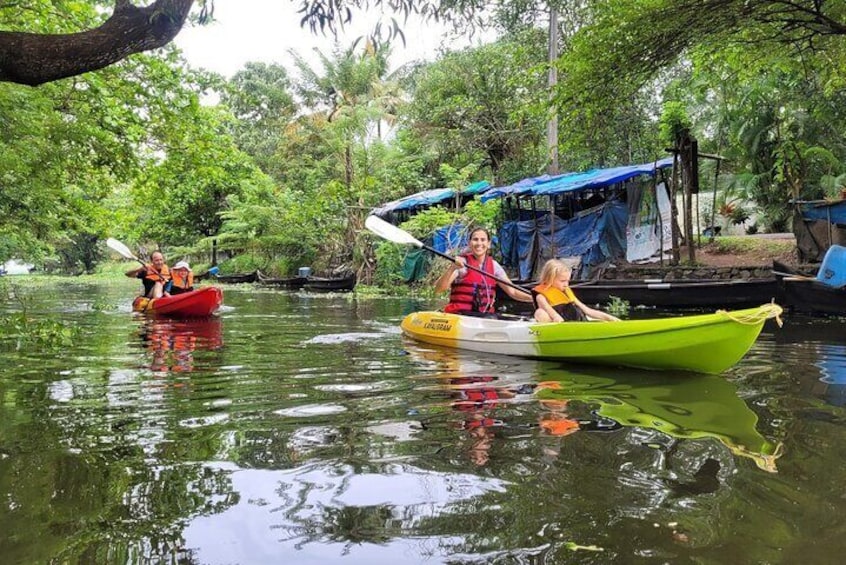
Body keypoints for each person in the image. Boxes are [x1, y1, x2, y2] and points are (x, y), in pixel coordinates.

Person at [435, 227, 533, 315]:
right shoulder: (461, 264)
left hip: (484, 317)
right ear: (469, 243)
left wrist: (534, 298)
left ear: (488, 244)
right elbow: (439, 290)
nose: (479, 243)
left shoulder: (495, 266)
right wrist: (451, 268)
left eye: (483, 240)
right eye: (475, 239)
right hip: (460, 315)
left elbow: (513, 292)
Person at [533, 259, 620, 322]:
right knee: (540, 313)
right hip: (559, 324)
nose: (566, 284)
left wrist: (609, 318)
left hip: (576, 322)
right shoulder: (541, 297)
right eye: (562, 281)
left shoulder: (567, 292)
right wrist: (558, 320)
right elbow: (555, 316)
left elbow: (587, 311)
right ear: (549, 279)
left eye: (567, 281)